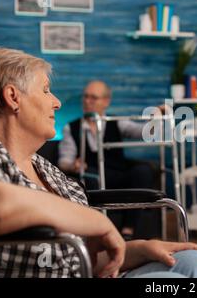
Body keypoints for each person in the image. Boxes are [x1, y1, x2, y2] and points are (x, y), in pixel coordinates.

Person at [0, 47, 197, 278]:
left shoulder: (44, 167)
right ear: (13, 97)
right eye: (46, 90)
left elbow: (82, 258)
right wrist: (96, 220)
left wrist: (139, 249)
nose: (57, 102)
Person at [58, 80, 161, 238]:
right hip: (93, 176)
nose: (87, 101)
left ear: (106, 101)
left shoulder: (115, 122)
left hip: (118, 175)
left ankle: (129, 228)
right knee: (90, 179)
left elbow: (144, 133)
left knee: (143, 171)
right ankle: (99, 231)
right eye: (85, 97)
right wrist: (73, 165)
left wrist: (156, 119)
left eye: (93, 97)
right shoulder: (71, 128)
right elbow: (64, 161)